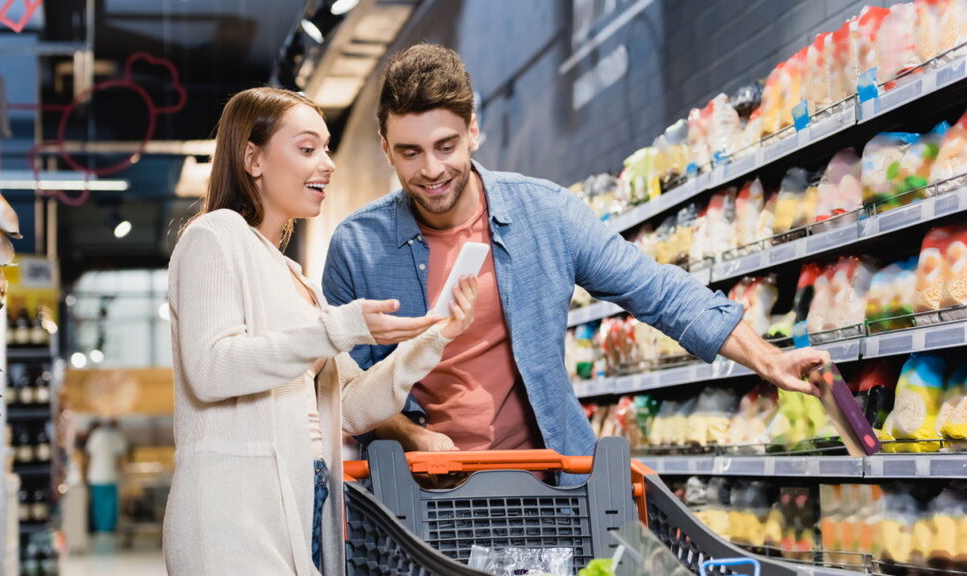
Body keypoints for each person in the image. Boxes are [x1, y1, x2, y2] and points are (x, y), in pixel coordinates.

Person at [322, 44, 830, 474]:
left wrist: (769, 357)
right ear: (386, 149)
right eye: (410, 152)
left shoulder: (546, 213)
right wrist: (413, 435)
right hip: (418, 493)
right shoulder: (357, 246)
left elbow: (657, 291)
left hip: (547, 480)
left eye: (446, 146)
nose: (431, 169)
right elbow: (344, 387)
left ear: (473, 132)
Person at [162, 87, 477, 576]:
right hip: (234, 516)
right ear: (253, 158)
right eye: (307, 149)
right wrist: (344, 327)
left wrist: (433, 339)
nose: (327, 164)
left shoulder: (295, 277)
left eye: (326, 148)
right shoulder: (214, 236)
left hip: (306, 494)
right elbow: (211, 368)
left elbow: (349, 406)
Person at [84, 418, 127, 536]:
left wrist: (85, 472)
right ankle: (108, 529)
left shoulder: (95, 435)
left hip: (96, 476)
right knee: (110, 504)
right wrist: (122, 473)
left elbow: (89, 456)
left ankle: (100, 529)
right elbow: (119, 458)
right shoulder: (116, 436)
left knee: (98, 504)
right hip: (110, 475)